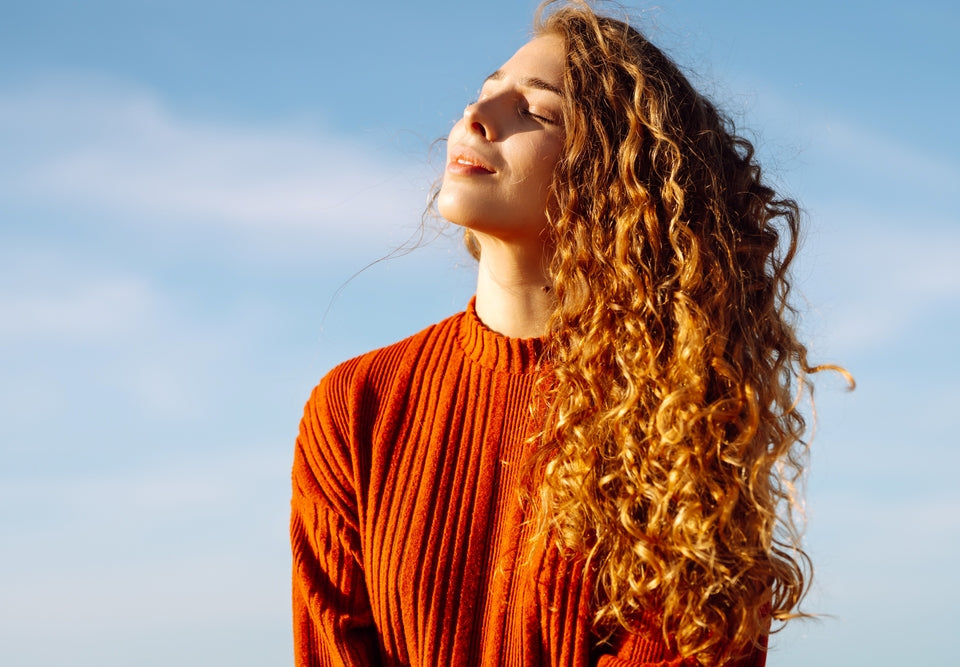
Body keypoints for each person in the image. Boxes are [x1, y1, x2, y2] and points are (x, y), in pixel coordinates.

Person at [291, 1, 848, 665]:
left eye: (534, 110)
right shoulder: (356, 405)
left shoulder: (678, 421)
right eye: (484, 91)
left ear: (617, 178)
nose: (477, 117)